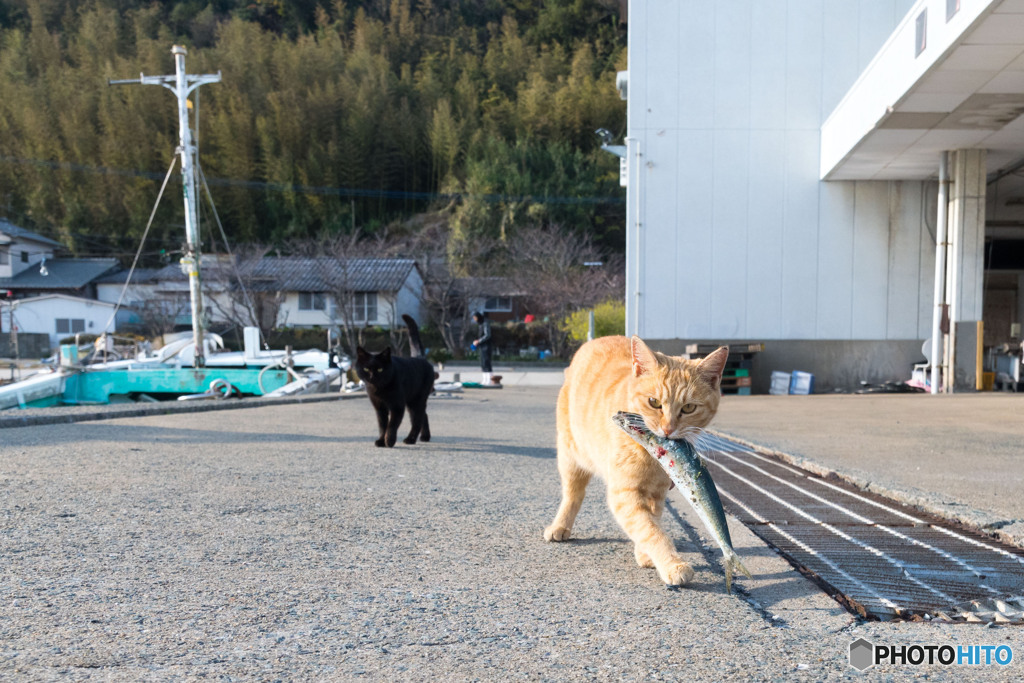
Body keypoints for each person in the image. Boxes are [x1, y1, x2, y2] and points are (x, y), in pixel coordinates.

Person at [472, 311, 494, 385]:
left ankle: (490, 380)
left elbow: (487, 335)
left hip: (486, 345)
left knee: (487, 362)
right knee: (483, 363)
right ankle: (485, 379)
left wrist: (479, 341)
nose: (475, 319)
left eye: (475, 318)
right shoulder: (480, 324)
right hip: (481, 346)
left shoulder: (485, 323)